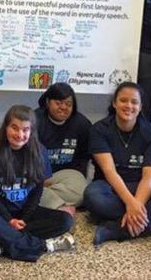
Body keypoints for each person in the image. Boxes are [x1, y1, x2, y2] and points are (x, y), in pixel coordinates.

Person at [83, 82, 151, 245]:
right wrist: (131, 204)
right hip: (110, 187)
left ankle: (115, 229)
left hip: (143, 187)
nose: (128, 106)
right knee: (92, 195)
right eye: (123, 100)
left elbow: (149, 178)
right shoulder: (100, 130)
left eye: (134, 102)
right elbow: (110, 171)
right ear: (114, 103)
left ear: (140, 107)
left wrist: (136, 205)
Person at [0, 105, 75, 262]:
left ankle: (4, 243)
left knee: (65, 221)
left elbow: (38, 189)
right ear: (6, 127)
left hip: (25, 211)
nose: (19, 134)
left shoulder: (40, 151)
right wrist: (9, 219)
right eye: (14, 128)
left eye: (25, 130)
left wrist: (24, 218)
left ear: (31, 131)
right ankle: (44, 245)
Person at [35, 83, 92, 215]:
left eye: (68, 104)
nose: (63, 107)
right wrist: (41, 181)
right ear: (48, 102)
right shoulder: (35, 120)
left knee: (83, 192)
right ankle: (63, 208)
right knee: (20, 191)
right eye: (58, 102)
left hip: (66, 175)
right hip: (37, 176)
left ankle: (47, 201)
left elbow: (84, 158)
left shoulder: (82, 124)